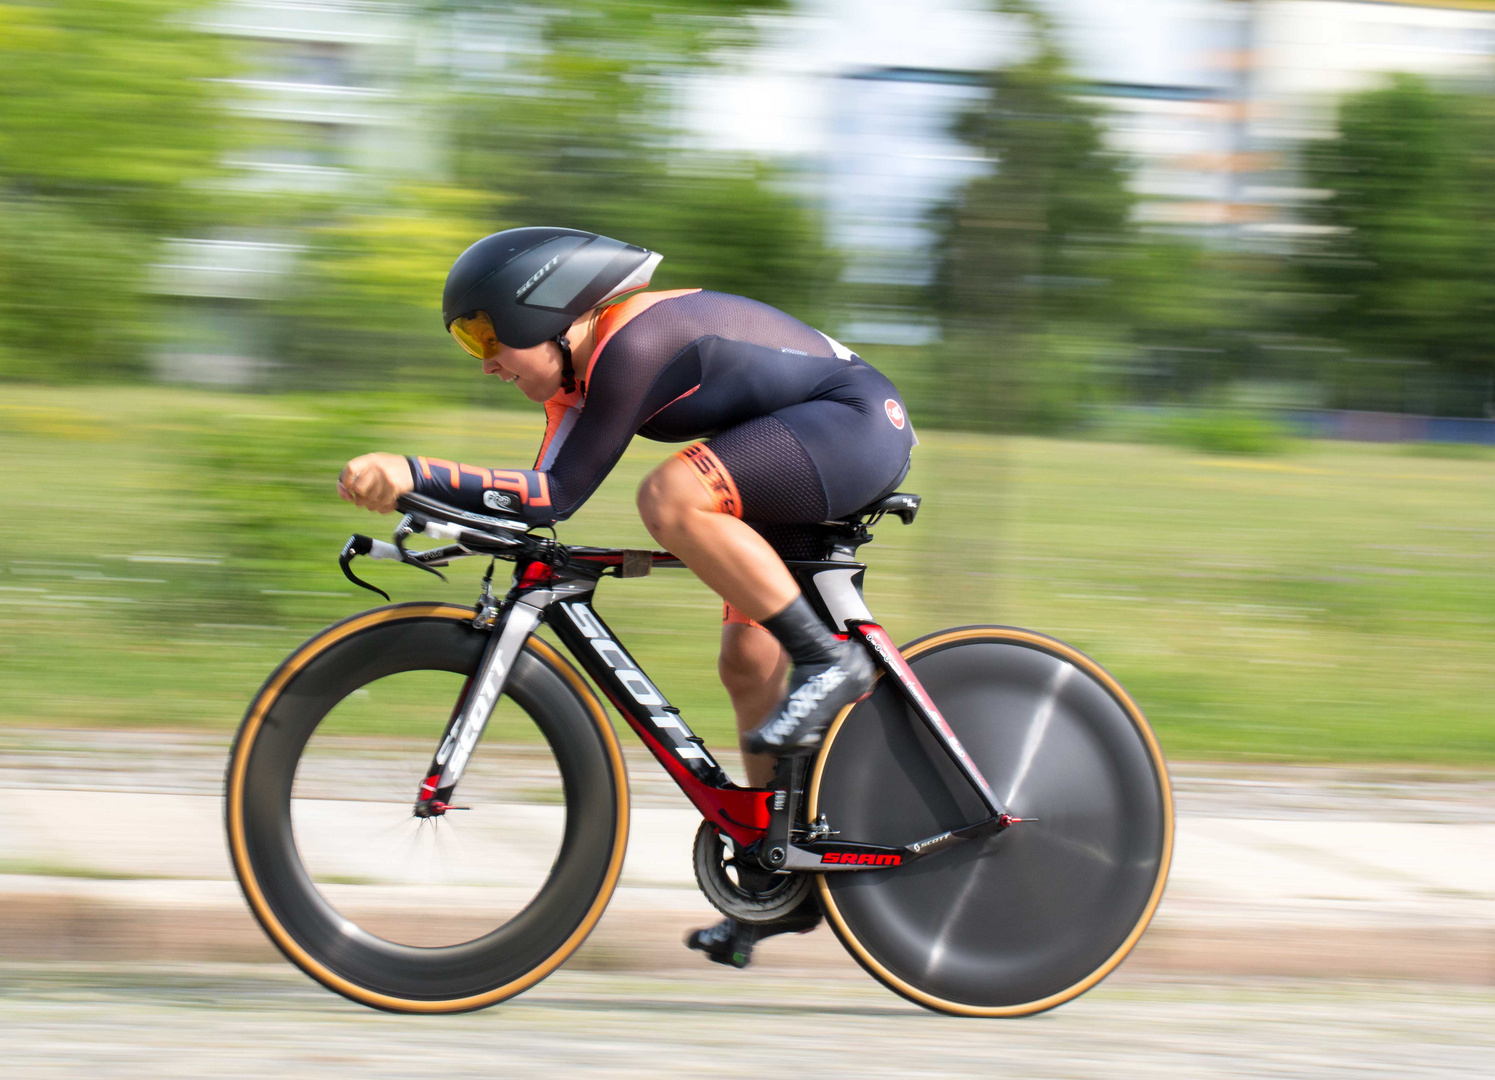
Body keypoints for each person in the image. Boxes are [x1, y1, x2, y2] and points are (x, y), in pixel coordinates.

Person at [338, 226, 915, 967]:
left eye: (486, 338)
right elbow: (537, 507)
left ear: (537, 313)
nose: (485, 365)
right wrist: (433, 507)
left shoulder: (630, 345)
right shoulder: (574, 384)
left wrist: (411, 469)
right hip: (792, 443)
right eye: (467, 344)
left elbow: (558, 492)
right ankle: (782, 871)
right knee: (745, 662)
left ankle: (827, 662)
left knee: (670, 496)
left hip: (855, 425)